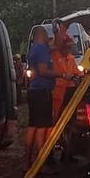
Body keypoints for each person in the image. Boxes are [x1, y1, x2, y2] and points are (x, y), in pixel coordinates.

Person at [25, 27, 58, 166]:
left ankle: (28, 163)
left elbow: (56, 46)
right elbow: (43, 71)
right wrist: (60, 74)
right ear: (42, 35)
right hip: (42, 92)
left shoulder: (33, 49)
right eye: (46, 35)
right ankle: (42, 162)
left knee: (32, 126)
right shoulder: (41, 50)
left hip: (33, 92)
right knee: (42, 128)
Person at [50, 23, 82, 124]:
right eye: (66, 47)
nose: (68, 50)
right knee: (54, 117)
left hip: (69, 92)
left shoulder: (71, 58)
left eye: (70, 47)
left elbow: (77, 72)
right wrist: (62, 28)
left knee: (68, 118)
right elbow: (57, 41)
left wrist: (80, 76)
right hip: (56, 92)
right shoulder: (54, 55)